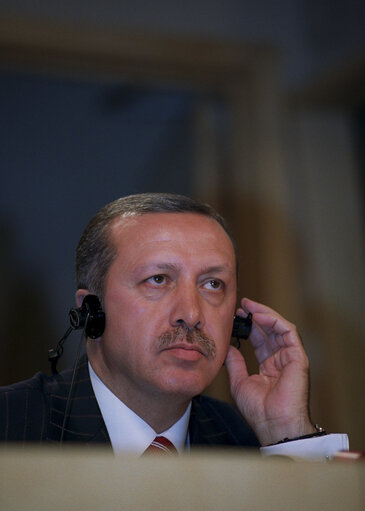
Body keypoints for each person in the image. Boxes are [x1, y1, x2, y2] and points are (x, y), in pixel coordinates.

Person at [0, 193, 348, 459]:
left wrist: (286, 433)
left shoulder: (249, 442)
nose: (191, 313)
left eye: (213, 284)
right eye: (158, 279)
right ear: (91, 311)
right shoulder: (12, 427)